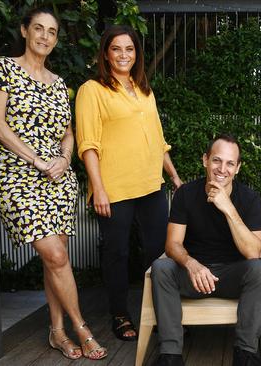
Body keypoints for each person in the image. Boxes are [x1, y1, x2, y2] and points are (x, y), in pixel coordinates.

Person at [0, 7, 106, 360]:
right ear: (24, 31)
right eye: (38, 28)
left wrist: (65, 159)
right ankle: (81, 327)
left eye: (51, 32)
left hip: (58, 177)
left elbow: (68, 134)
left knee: (58, 259)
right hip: (16, 174)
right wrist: (36, 160)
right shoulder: (3, 68)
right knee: (54, 254)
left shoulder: (57, 83)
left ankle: (56, 332)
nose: (45, 36)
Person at [75, 25, 182, 342]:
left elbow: (158, 141)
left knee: (158, 252)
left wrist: (174, 176)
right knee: (117, 253)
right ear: (106, 54)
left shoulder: (143, 88)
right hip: (115, 188)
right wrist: (99, 188)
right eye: (116, 49)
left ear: (137, 54)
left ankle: (163, 313)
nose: (124, 55)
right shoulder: (92, 90)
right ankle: (119, 314)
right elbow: (88, 145)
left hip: (151, 185)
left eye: (130, 49)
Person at [150, 134, 261, 366]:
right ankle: (170, 355)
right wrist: (192, 264)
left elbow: (253, 252)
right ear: (205, 160)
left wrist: (228, 208)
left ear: (237, 168)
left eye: (230, 163)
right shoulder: (186, 194)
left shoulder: (249, 198)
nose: (222, 169)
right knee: (161, 267)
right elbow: (172, 244)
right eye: (217, 160)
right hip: (193, 276)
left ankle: (245, 354)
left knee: (260, 269)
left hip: (232, 277)